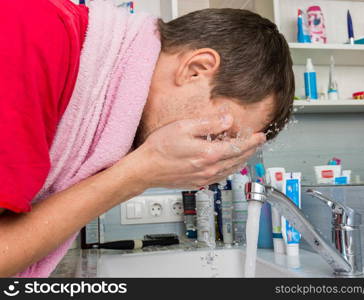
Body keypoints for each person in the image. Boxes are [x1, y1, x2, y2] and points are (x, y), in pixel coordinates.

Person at [0, 0, 294, 277]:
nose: (211, 157)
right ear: (196, 70)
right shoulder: (32, 35)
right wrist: (136, 175)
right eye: (222, 133)